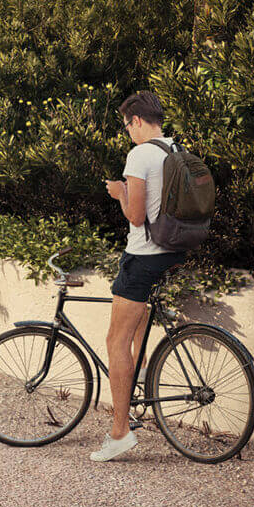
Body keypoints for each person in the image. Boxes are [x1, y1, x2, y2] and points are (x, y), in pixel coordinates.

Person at [93, 90, 188, 462]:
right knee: (136, 321)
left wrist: (119, 192)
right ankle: (143, 367)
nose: (127, 132)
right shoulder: (175, 149)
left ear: (135, 121)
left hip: (144, 255)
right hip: (173, 250)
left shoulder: (139, 154)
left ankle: (120, 432)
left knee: (116, 341)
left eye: (126, 125)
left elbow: (135, 215)